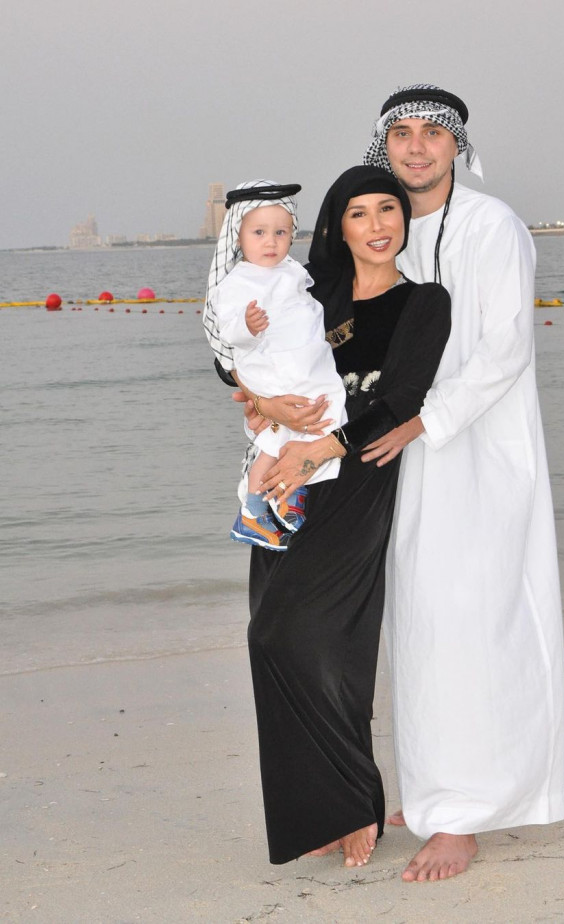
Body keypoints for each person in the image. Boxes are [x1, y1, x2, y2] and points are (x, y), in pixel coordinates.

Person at [204, 166, 451, 866]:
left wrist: (321, 447)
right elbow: (233, 353)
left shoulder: (423, 301)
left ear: (405, 219)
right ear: (337, 227)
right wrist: (263, 402)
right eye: (358, 213)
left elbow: (401, 398)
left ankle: (353, 799)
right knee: (268, 633)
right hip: (289, 473)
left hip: (357, 476)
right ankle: (325, 809)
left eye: (388, 210)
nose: (377, 226)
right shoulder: (314, 288)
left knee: (317, 637)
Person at [356, 84, 564, 882]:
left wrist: (429, 421)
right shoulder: (385, 228)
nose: (416, 147)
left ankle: (466, 813)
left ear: (456, 146)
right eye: (402, 134)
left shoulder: (492, 224)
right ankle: (435, 785)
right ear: (385, 146)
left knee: (474, 620)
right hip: (404, 452)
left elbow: (505, 347)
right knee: (419, 620)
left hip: (479, 451)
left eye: (432, 134)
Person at [205, 179, 347, 551]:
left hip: (303, 364)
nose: (271, 242)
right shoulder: (238, 281)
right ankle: (256, 509)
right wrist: (247, 326)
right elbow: (226, 331)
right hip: (270, 368)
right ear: (238, 237)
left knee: (319, 416)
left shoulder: (290, 270)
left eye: (280, 233)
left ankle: (287, 493)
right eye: (259, 232)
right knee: (281, 431)